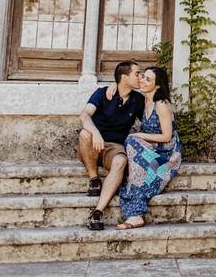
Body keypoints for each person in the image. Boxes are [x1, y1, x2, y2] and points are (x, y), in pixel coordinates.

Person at [77, 61, 144, 230]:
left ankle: (97, 211)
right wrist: (96, 133)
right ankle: (94, 179)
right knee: (85, 134)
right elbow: (85, 115)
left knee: (121, 161)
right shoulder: (102, 93)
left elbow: (150, 115)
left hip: (115, 148)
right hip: (93, 145)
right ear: (124, 77)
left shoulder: (137, 100)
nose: (141, 77)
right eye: (137, 74)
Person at [114, 66, 182, 229]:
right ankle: (135, 185)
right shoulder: (144, 100)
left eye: (148, 79)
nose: (142, 80)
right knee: (131, 141)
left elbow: (167, 136)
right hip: (152, 147)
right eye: (143, 76)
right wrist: (113, 86)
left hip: (167, 151)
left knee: (132, 140)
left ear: (157, 85)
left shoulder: (161, 104)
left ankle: (136, 214)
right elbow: (122, 88)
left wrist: (139, 135)